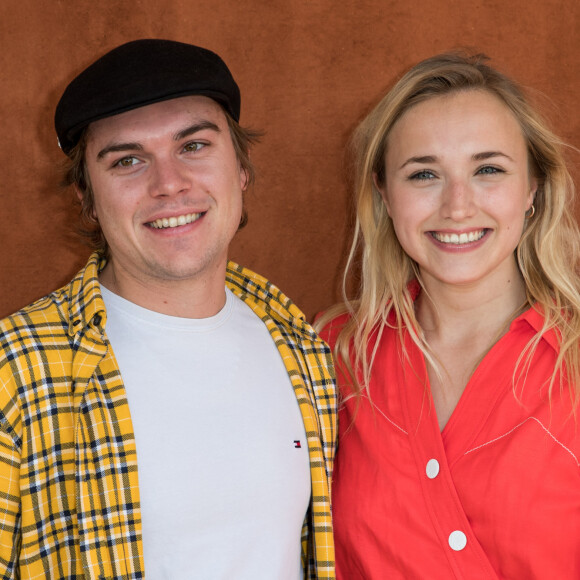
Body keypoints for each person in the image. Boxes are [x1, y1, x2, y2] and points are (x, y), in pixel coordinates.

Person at [0, 39, 336, 579]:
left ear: (241, 170)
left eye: (194, 146)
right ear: (87, 198)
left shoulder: (304, 347)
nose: (169, 184)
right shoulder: (17, 373)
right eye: (128, 160)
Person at [318, 52, 580, 579]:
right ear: (384, 195)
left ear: (532, 187)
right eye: (423, 174)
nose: (457, 206)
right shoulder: (333, 352)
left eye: (488, 169)